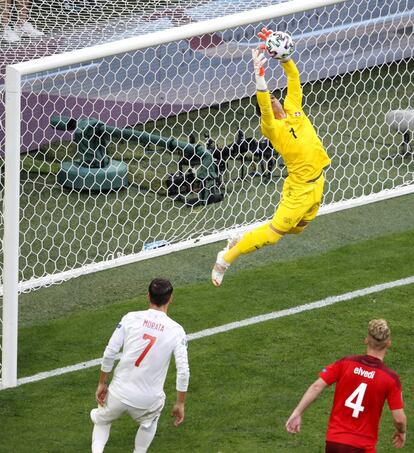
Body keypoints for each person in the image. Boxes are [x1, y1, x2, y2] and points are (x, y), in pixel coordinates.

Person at [211, 27, 331, 286]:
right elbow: (263, 101)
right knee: (274, 235)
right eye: (273, 99)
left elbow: (294, 78)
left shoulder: (294, 108)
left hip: (317, 182)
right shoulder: (272, 128)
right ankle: (226, 258)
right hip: (300, 188)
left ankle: (241, 238)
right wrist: (259, 73)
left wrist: (285, 58)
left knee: (298, 228)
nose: (276, 100)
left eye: (277, 97)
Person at [90, 278, 190, 453]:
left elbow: (110, 352)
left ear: (148, 296)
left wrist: (102, 382)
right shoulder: (176, 330)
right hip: (148, 400)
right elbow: (183, 372)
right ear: (171, 298)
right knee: (148, 423)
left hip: (119, 393)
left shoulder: (130, 318)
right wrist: (180, 403)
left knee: (102, 420)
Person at [286, 319, 407, 452]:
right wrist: (401, 431)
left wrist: (298, 412)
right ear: (388, 344)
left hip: (334, 443)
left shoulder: (345, 363)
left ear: (366, 340)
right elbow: (399, 419)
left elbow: (316, 386)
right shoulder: (390, 378)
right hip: (361, 446)